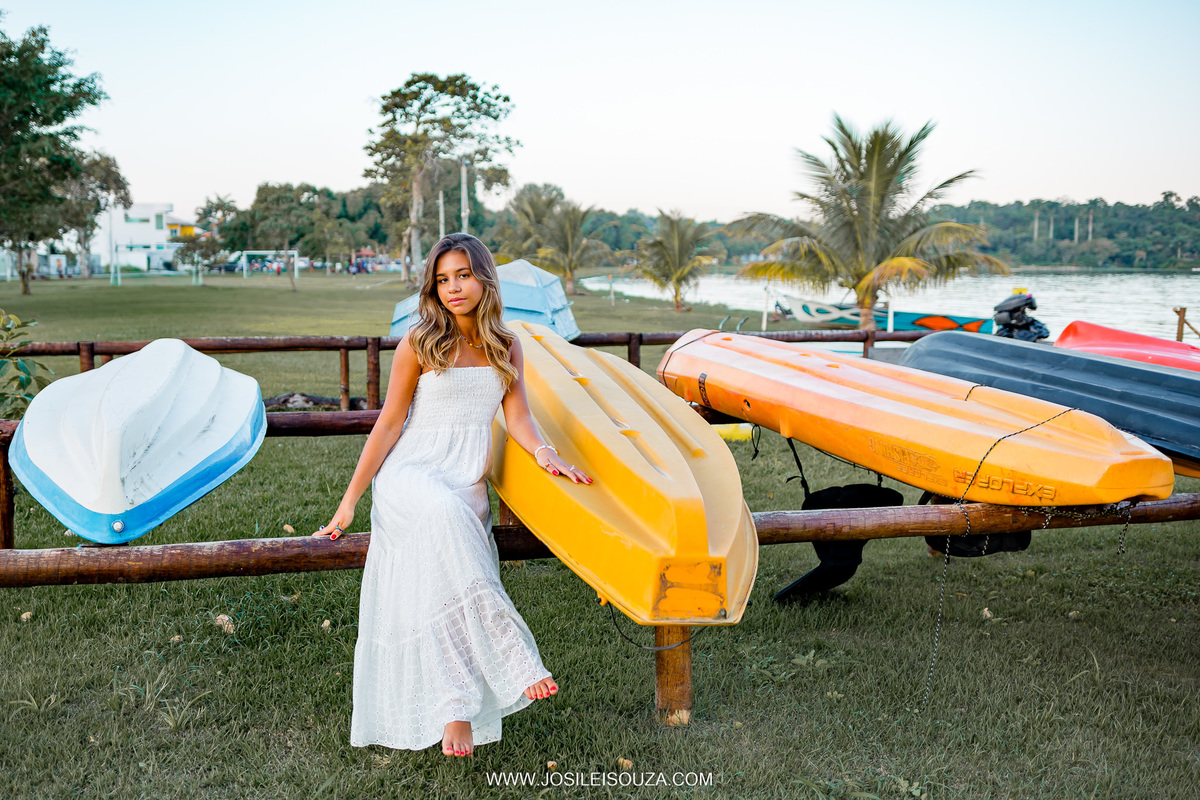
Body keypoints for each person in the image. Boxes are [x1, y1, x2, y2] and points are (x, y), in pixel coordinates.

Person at [313, 233, 591, 758]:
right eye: (442, 279)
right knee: (444, 520)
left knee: (443, 576)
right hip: (411, 476)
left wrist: (544, 453)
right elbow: (389, 423)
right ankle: (515, 660)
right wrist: (349, 503)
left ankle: (454, 706)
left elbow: (520, 417)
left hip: (464, 480)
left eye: (463, 275)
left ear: (485, 278)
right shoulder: (420, 342)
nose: (453, 288)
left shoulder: (507, 346)